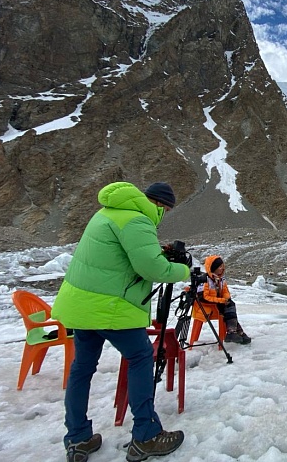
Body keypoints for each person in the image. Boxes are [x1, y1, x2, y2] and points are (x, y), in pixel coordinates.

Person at [51, 181, 191, 462]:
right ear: (159, 205)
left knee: (82, 369)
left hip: (81, 306)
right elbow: (151, 268)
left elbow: (115, 259)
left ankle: (78, 439)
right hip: (111, 307)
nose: (163, 215)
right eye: (164, 209)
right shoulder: (137, 220)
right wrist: (183, 269)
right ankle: (146, 435)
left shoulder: (107, 212)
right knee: (140, 357)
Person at [198, 254, 252, 345]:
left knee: (230, 305)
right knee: (229, 308)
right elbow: (205, 298)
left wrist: (226, 298)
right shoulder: (205, 280)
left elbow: (225, 291)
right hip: (208, 306)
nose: (222, 269)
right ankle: (236, 332)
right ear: (213, 267)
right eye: (219, 267)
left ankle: (233, 332)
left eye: (222, 266)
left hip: (218, 304)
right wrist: (222, 301)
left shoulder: (221, 279)